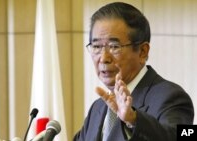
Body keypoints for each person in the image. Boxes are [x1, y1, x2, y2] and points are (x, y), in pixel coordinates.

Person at [73, 2, 194, 141]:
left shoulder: (171, 98)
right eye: (96, 46)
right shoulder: (97, 108)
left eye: (114, 46)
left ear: (143, 52)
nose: (104, 58)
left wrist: (134, 120)